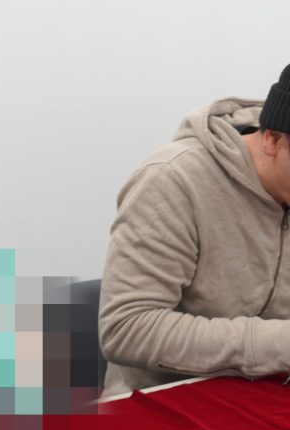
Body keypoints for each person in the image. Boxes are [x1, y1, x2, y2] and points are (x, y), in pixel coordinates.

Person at [99, 63, 290, 397]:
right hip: (166, 399)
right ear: (272, 138)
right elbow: (127, 328)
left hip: (269, 391)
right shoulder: (172, 180)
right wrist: (279, 344)